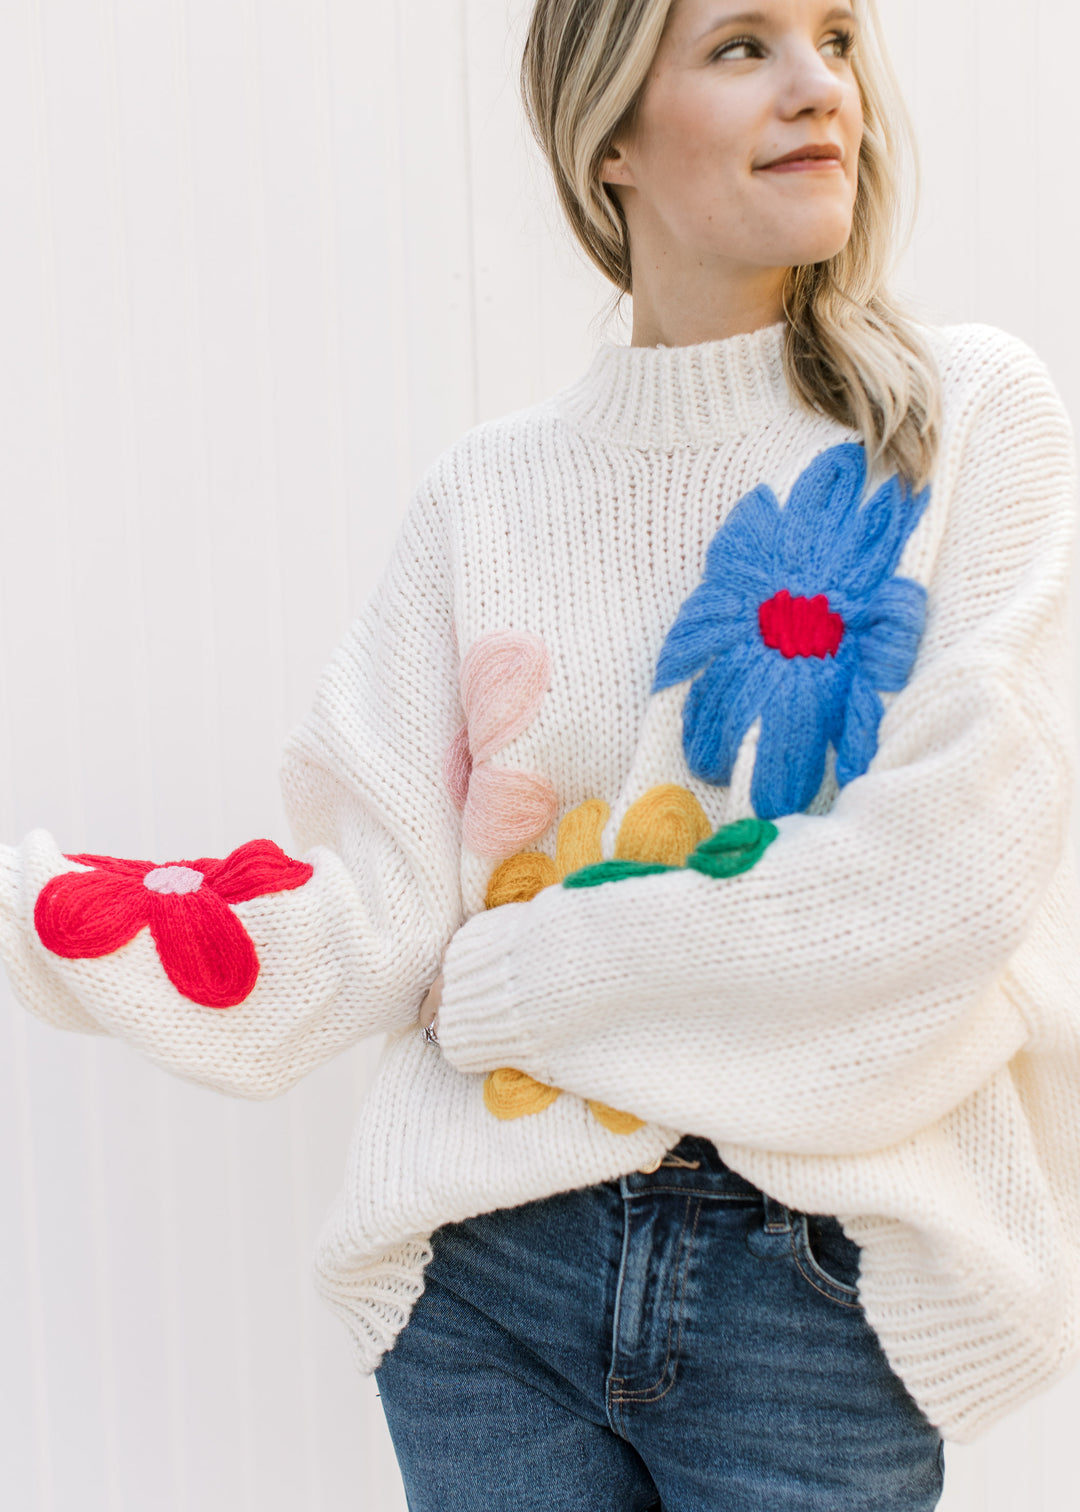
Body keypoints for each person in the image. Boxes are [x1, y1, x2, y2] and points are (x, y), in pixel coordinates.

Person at [3, 0, 1079, 1506]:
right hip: (492, 1273)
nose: (818, 87)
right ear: (611, 138)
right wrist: (62, 913)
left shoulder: (962, 420)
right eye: (743, 45)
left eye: (836, 37)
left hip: (809, 1289)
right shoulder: (484, 498)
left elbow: (952, 871)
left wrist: (539, 975)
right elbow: (383, 906)